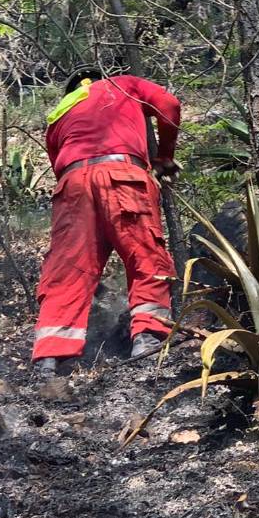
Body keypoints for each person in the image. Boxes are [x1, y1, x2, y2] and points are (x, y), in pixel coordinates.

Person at [32, 65, 181, 374]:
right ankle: (148, 338)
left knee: (68, 269)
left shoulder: (60, 113)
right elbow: (169, 105)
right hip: (122, 175)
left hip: (73, 185)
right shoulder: (123, 84)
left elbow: (59, 165)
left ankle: (51, 358)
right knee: (145, 256)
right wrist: (164, 156)